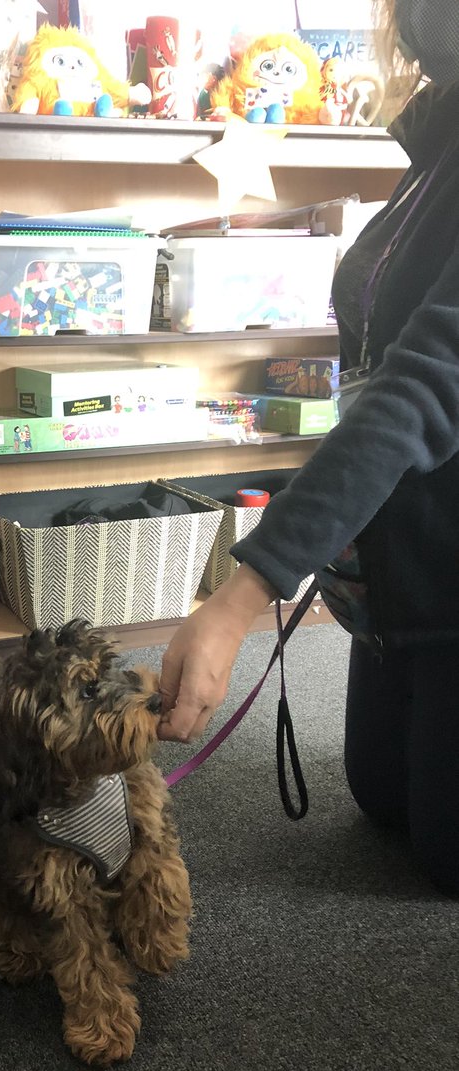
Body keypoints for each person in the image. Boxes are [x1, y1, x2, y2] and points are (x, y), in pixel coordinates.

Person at [156, 0, 459, 896]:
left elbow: (421, 386)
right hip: (410, 552)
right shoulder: (439, 127)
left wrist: (243, 591)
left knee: (445, 863)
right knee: (380, 801)